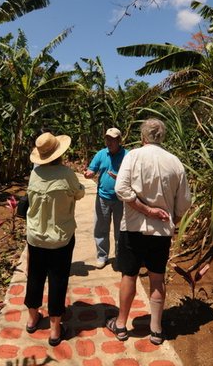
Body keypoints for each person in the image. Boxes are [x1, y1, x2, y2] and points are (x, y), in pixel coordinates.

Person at [108, 118, 191, 345]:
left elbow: (121, 189)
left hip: (133, 228)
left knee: (129, 275)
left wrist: (145, 210)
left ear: (143, 136)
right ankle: (156, 329)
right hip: (161, 231)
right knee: (157, 277)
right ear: (161, 137)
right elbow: (184, 201)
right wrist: (171, 220)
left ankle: (122, 324)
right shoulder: (174, 162)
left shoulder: (133, 156)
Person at [24, 131, 85, 346]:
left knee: (35, 276)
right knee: (58, 280)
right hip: (61, 238)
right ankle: (55, 331)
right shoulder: (67, 174)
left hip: (36, 237)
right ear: (59, 153)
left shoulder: (34, 174)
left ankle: (32, 319)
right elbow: (79, 193)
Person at [83, 127, 128, 269]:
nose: (109, 142)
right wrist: (88, 174)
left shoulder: (128, 156)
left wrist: (119, 177)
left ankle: (120, 257)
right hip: (103, 197)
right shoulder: (101, 154)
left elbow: (134, 175)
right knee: (101, 228)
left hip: (121, 199)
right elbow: (92, 169)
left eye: (113, 139)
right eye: (107, 139)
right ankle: (102, 256)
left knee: (120, 230)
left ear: (119, 141)